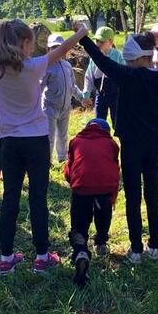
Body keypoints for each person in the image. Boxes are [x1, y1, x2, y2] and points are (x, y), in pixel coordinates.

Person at [0, 19, 89, 276]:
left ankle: (6, 258)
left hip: (9, 142)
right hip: (36, 140)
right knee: (37, 198)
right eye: (30, 43)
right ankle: (42, 257)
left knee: (10, 198)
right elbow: (62, 49)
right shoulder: (32, 67)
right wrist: (82, 31)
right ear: (23, 43)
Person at [79, 31, 158, 264]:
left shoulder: (128, 76)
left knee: (133, 196)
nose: (128, 63)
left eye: (130, 60)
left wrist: (83, 37)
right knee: (152, 193)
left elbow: (100, 60)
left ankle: (136, 249)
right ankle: (155, 246)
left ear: (137, 58)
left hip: (131, 145)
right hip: (154, 145)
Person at [64, 118, 120, 286]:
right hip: (104, 188)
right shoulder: (112, 144)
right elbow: (114, 167)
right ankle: (101, 242)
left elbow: (69, 168)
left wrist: (73, 182)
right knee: (103, 215)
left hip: (81, 188)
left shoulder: (76, 141)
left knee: (79, 224)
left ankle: (81, 250)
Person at [42, 33, 84, 163]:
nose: (57, 50)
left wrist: (81, 97)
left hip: (65, 107)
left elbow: (72, 86)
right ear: (49, 49)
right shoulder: (46, 66)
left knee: (63, 136)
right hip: (50, 107)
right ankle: (47, 161)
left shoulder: (67, 66)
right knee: (49, 137)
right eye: (53, 48)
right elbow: (39, 87)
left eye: (59, 47)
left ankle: (62, 159)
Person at [82, 26, 124, 126]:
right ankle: (100, 135)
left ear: (110, 41)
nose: (98, 44)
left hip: (116, 95)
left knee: (118, 122)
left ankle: (120, 135)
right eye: (97, 41)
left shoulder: (118, 56)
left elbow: (125, 75)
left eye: (101, 41)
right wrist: (86, 95)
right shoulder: (94, 58)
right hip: (101, 95)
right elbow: (89, 76)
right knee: (99, 122)